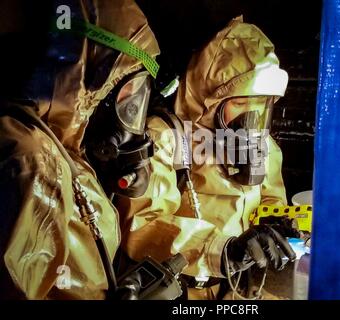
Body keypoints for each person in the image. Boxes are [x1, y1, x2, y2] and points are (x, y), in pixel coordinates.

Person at [117, 16, 296, 300]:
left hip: (238, 286)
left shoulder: (266, 147)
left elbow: (271, 201)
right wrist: (223, 249)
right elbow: (143, 225)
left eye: (262, 105)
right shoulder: (165, 137)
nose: (251, 118)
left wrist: (277, 224)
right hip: (180, 290)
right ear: (208, 99)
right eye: (240, 103)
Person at [0, 0, 160, 299]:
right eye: (129, 89)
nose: (131, 107)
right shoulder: (33, 159)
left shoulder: (60, 148)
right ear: (92, 74)